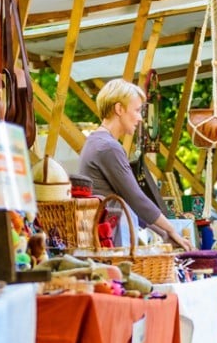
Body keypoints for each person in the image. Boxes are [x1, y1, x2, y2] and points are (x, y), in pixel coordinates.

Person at [78, 79, 192, 251]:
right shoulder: (109, 147)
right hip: (106, 241)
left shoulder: (95, 141)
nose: (140, 118)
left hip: (100, 237)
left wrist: (164, 233)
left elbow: (131, 202)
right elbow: (136, 198)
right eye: (137, 110)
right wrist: (171, 230)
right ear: (119, 109)